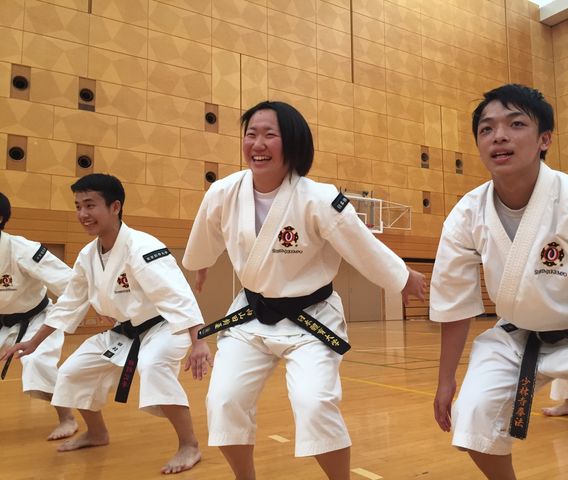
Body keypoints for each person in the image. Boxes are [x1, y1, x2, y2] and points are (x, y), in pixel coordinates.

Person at [182, 100, 427, 480]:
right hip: (251, 315)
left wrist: (402, 277)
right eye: (251, 134)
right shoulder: (224, 192)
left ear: (293, 142)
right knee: (223, 401)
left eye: (269, 135)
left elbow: (362, 245)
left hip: (311, 319)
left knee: (314, 404)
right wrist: (201, 262)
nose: (257, 144)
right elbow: (206, 235)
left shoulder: (320, 198)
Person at [429, 84, 568, 479]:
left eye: (516, 124)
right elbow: (453, 301)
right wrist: (445, 380)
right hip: (518, 334)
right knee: (472, 415)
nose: (499, 136)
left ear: (545, 139)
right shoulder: (466, 214)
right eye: (487, 129)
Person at [1, 174, 212, 475]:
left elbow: (177, 295)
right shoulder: (88, 255)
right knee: (72, 372)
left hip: (163, 327)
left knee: (153, 366)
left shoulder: (141, 247)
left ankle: (189, 445)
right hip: (122, 332)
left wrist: (198, 341)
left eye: (90, 205)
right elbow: (70, 302)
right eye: (78, 206)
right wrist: (33, 342)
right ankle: (97, 433)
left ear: (115, 207)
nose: (82, 214)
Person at [0, 192, 77, 440]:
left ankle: (68, 418)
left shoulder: (23, 249)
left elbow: (71, 283)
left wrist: (102, 308)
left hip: (36, 317)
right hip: (2, 321)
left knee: (37, 363)